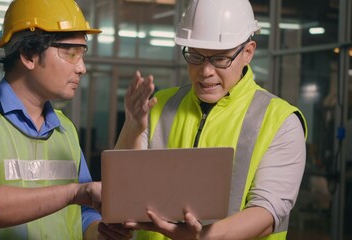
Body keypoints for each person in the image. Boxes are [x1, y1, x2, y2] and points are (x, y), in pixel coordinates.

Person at [0, 0, 131, 239]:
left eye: (83, 54)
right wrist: (74, 192)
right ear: (28, 54)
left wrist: (101, 232)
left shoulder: (65, 129)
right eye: (72, 53)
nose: (82, 68)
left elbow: (82, 213)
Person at [116, 0, 307, 239]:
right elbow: (124, 191)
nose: (205, 71)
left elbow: (268, 212)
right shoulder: (158, 106)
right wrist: (132, 128)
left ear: (248, 52)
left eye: (220, 58)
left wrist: (201, 237)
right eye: (195, 56)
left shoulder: (280, 120)